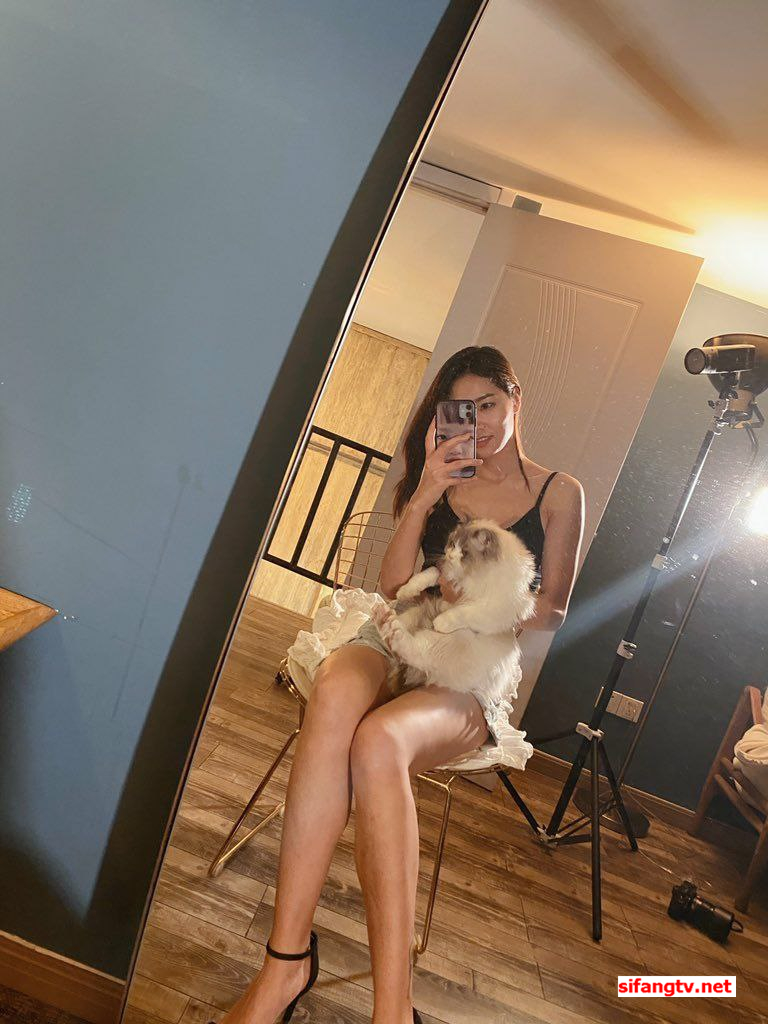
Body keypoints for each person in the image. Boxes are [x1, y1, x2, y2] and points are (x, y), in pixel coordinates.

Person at [219, 345, 584, 1024]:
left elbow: (554, 609)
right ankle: (284, 964)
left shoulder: (559, 492)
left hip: (468, 668)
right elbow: (392, 585)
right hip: (397, 634)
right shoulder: (440, 476)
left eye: (489, 405)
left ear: (516, 400)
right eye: (462, 410)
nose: (477, 423)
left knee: (379, 742)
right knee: (336, 694)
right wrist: (424, 494)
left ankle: (395, 1008)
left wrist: (481, 602)